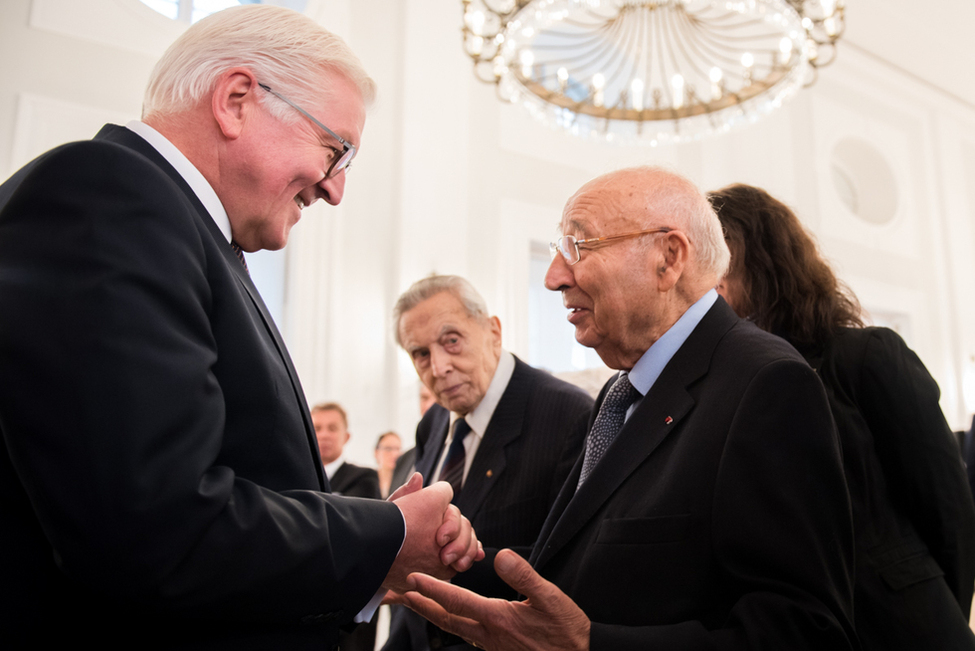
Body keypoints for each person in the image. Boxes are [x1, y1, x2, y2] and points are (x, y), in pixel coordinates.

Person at [0, 6, 481, 649]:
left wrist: (369, 551)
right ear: (236, 101)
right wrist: (386, 538)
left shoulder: (180, 229)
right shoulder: (108, 193)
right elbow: (153, 529)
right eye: (336, 150)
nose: (336, 190)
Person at [400, 167, 857, 650]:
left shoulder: (766, 383)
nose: (554, 276)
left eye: (579, 247)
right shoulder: (623, 393)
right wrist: (451, 558)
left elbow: (806, 631)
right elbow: (576, 561)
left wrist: (588, 646)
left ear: (669, 258)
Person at [708, 183, 975, 650]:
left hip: (899, 623)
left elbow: (946, 508)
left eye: (721, 264)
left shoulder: (865, 356)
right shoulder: (722, 379)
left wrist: (939, 607)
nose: (711, 284)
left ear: (766, 262)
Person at [386, 275, 593, 651]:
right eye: (421, 353)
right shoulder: (431, 423)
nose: (439, 367)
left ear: (493, 331)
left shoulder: (569, 415)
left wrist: (431, 566)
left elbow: (565, 566)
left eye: (451, 340)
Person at [312, 402, 383, 499]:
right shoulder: (296, 478)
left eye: (332, 429)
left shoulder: (364, 478)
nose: (324, 435)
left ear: (346, 437)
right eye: (317, 429)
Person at [375, 431, 404, 499]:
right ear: (376, 453)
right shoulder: (367, 480)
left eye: (397, 449)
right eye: (388, 449)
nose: (394, 454)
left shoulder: (405, 482)